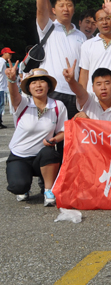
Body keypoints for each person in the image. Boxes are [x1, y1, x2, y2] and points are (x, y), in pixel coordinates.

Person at [5, 65, 66, 206]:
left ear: (49, 86)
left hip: (42, 156)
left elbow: (63, 131)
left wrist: (55, 139)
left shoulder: (58, 106)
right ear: (28, 88)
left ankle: (48, 190)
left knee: (50, 153)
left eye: (42, 81)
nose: (38, 85)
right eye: (33, 82)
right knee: (18, 186)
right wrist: (12, 80)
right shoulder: (23, 103)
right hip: (20, 156)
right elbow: (14, 95)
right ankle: (24, 187)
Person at [33, 0, 87, 117]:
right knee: (49, 130)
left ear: (74, 10)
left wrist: (82, 92)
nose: (65, 9)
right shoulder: (48, 28)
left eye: (69, 5)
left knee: (70, 131)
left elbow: (84, 69)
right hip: (52, 91)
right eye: (61, 5)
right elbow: (40, 11)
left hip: (74, 93)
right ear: (53, 10)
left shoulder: (82, 37)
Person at [78, 0, 111, 98]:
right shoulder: (87, 45)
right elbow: (84, 74)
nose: (105, 22)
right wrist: (81, 98)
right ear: (96, 24)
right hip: (93, 98)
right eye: (100, 19)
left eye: (108, 18)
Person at [0, 47, 12, 125]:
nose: (10, 55)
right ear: (4, 53)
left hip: (1, 86)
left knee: (1, 105)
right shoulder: (1, 61)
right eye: (9, 53)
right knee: (0, 105)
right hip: (0, 87)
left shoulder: (3, 62)